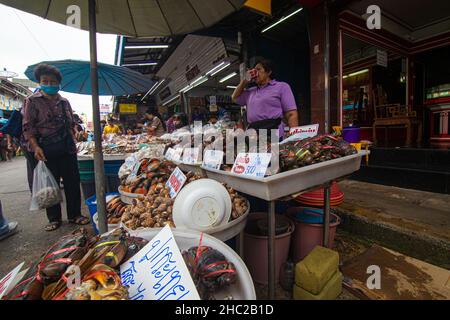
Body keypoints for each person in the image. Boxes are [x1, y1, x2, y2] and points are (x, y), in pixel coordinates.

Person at [22, 63, 89, 231]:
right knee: (50, 185)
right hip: (45, 149)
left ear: (58, 83)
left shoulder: (64, 101)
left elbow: (71, 123)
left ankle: (75, 215)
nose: (50, 84)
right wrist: (35, 147)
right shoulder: (32, 101)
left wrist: (76, 134)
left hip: (67, 147)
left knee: (72, 182)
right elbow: (28, 127)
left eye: (53, 81)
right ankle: (54, 218)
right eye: (45, 81)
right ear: (39, 82)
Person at [232, 58, 299, 139]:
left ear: (268, 72)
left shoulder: (281, 87)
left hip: (274, 132)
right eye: (253, 70)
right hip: (254, 134)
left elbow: (291, 114)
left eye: (258, 69)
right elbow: (234, 98)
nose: (255, 73)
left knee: (275, 151)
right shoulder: (250, 92)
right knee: (254, 151)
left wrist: (294, 137)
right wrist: (244, 81)